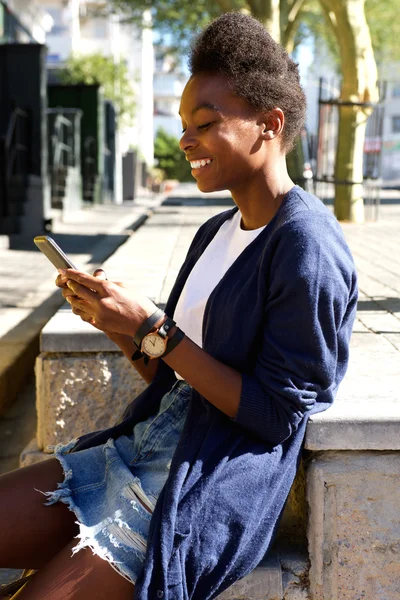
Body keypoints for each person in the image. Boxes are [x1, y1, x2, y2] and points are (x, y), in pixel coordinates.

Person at [0, 11, 358, 600]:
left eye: (206, 123)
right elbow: (169, 374)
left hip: (199, 482)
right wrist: (121, 326)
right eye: (184, 123)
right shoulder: (216, 231)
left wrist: (153, 326)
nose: (186, 139)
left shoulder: (307, 245)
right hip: (135, 450)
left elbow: (275, 416)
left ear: (270, 124)